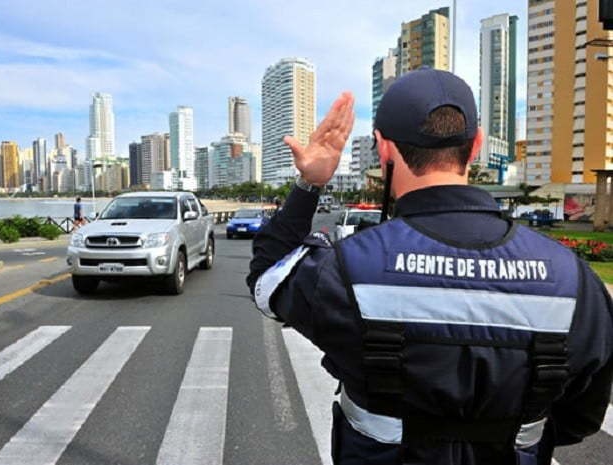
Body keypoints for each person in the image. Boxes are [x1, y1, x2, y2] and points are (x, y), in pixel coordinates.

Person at [247, 68, 613, 465]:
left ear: (383, 149)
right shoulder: (571, 278)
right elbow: (583, 416)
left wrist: (309, 184)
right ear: (475, 146)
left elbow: (268, 280)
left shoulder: (348, 267)